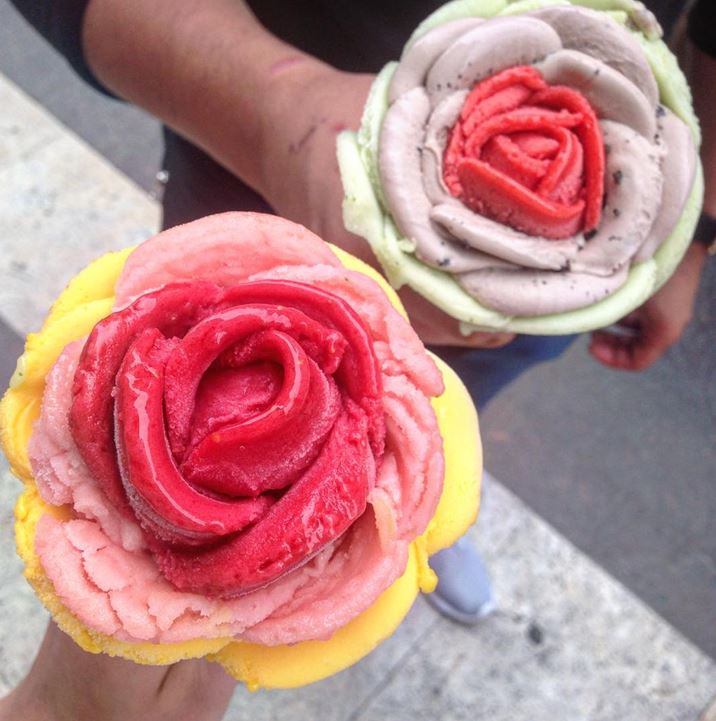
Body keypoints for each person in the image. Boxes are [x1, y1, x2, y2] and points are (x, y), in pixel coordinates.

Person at [0, 0, 713, 717]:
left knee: (454, 395)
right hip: (252, 203)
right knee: (236, 370)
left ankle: (423, 515)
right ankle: (380, 533)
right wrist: (279, 106)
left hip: (562, 281)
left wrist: (698, 225)